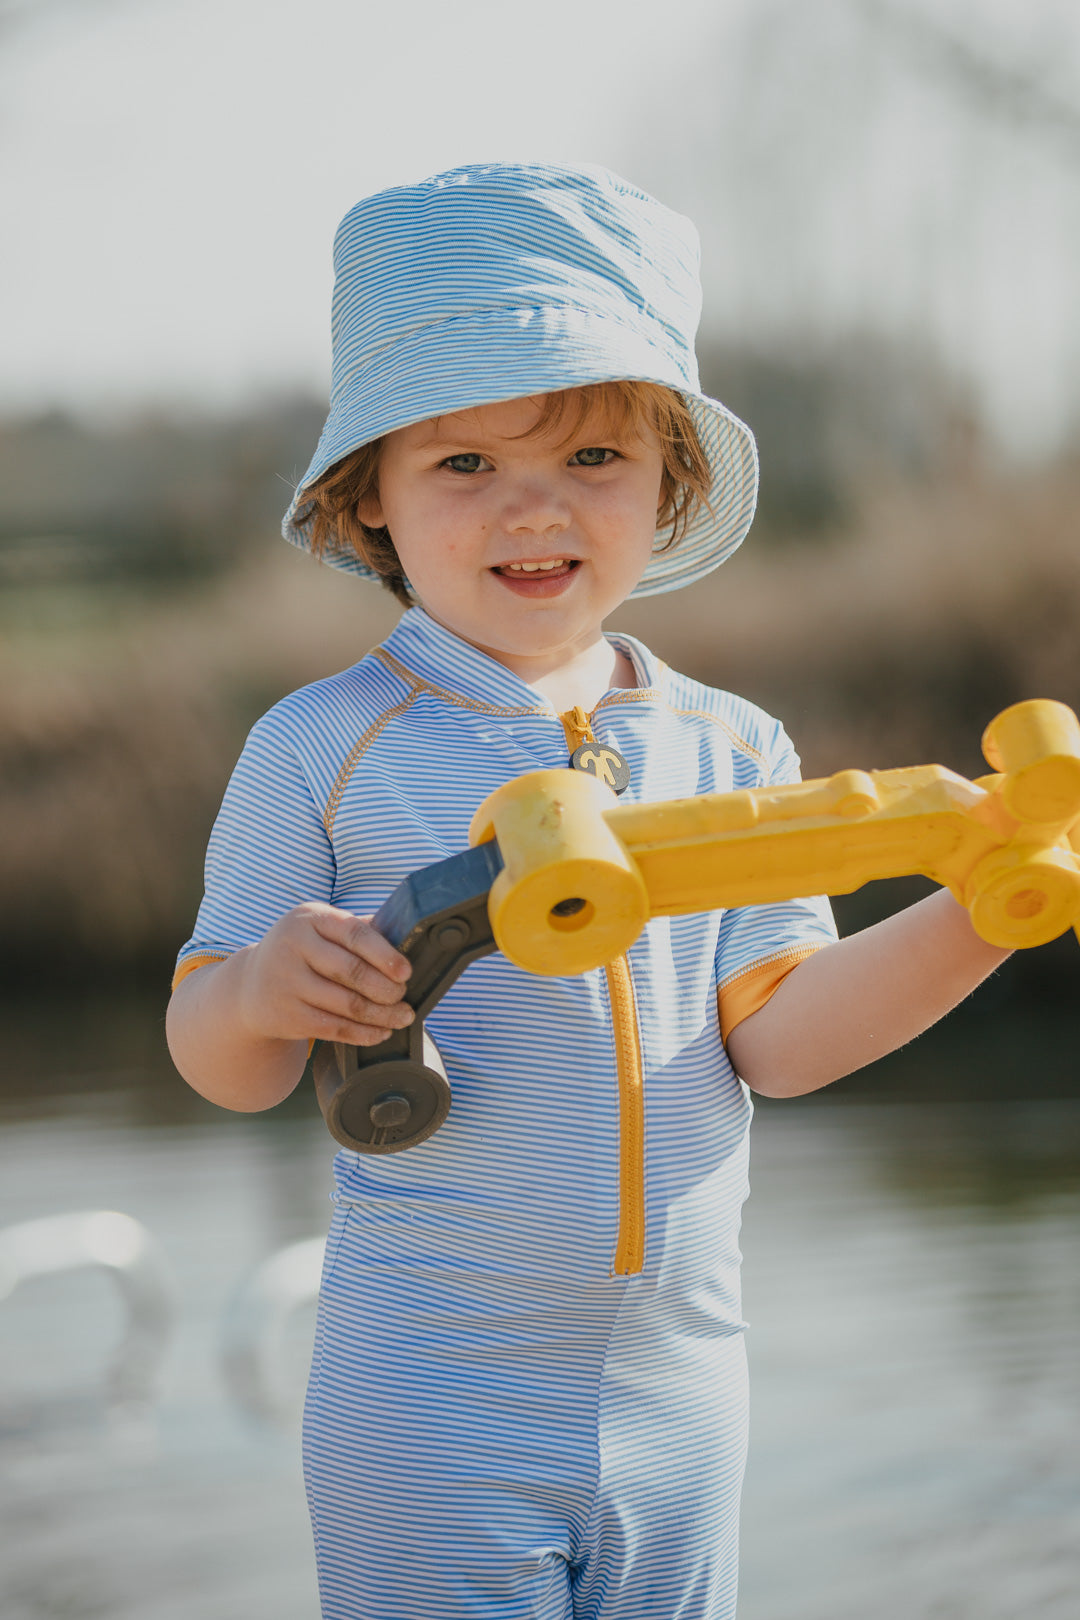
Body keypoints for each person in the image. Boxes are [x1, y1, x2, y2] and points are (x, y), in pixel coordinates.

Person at [166, 163, 1009, 1620]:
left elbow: (785, 1037)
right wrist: (257, 990)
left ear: (670, 483)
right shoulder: (318, 745)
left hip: (687, 1392)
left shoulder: (728, 745)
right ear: (370, 492)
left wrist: (982, 913)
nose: (533, 510)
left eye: (596, 461)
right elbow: (214, 1058)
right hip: (429, 1396)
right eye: (466, 465)